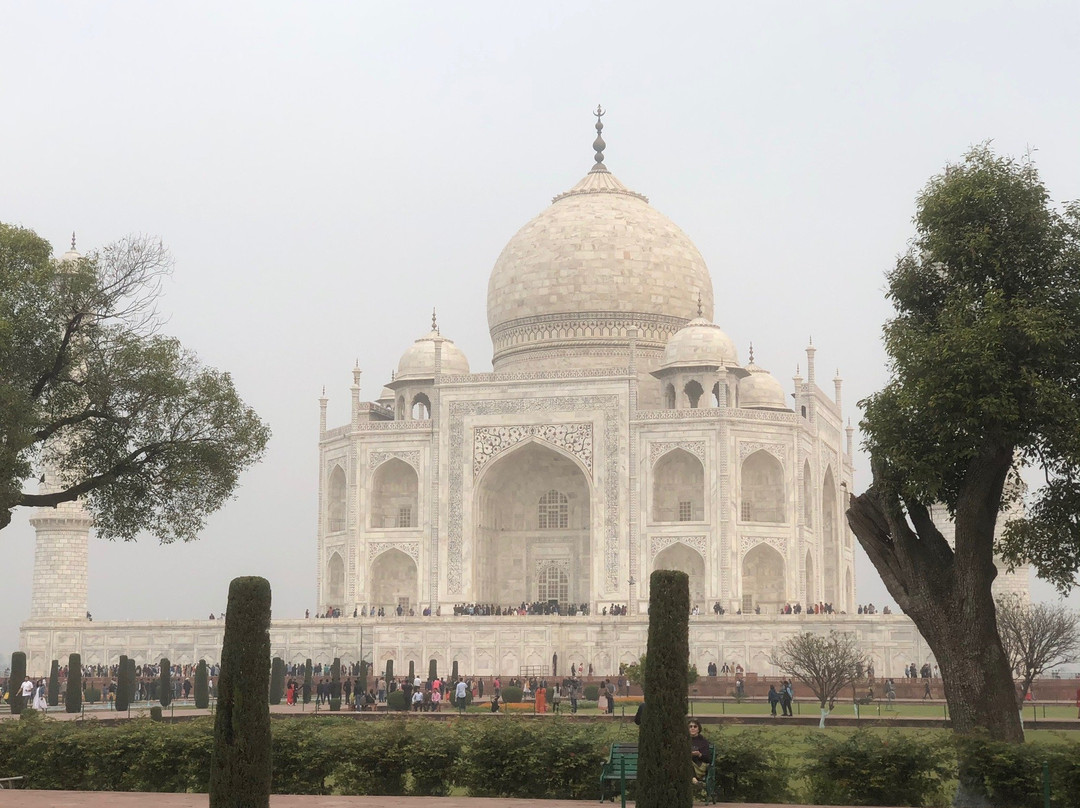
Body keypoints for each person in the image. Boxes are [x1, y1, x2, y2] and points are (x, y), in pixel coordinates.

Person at [688, 720, 710, 785]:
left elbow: (708, 759)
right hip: (686, 765)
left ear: (698, 729)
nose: (692, 728)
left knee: (686, 762)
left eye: (695, 726)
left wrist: (699, 754)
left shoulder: (703, 742)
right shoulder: (684, 740)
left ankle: (693, 779)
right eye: (690, 726)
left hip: (699, 765)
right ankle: (694, 779)